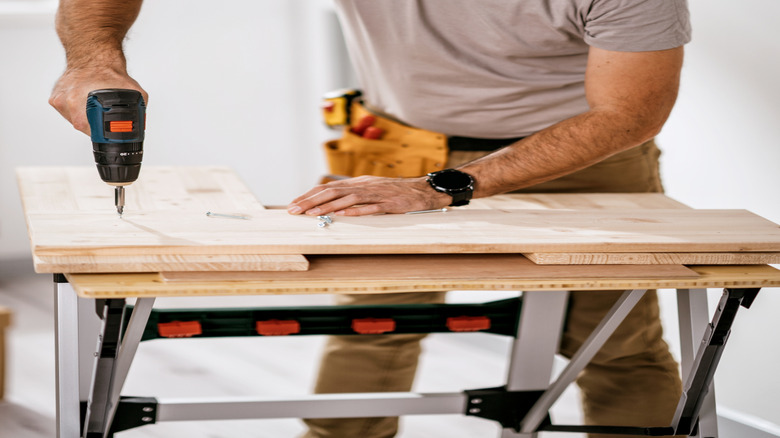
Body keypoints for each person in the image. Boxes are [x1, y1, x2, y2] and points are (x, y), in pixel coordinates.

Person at [50, 1, 691, 438]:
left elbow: (627, 114)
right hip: (397, 142)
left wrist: (443, 187)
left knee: (614, 343)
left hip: (578, 150)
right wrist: (92, 60)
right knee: (372, 324)